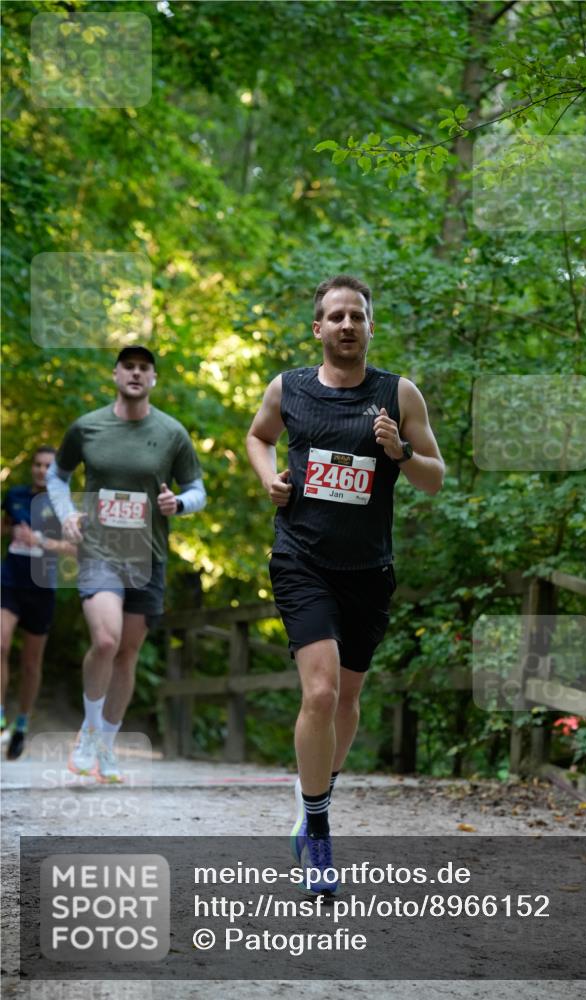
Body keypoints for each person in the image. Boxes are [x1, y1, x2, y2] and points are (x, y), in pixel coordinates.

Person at [246, 275, 444, 890]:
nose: (347, 325)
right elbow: (258, 436)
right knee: (323, 694)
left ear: (370, 326)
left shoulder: (398, 394)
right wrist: (268, 479)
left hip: (368, 571)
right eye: (335, 317)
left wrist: (401, 455)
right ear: (318, 328)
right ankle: (320, 832)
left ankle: (312, 801)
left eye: (356, 316)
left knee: (349, 698)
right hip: (302, 559)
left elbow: (435, 478)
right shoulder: (290, 388)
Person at [47, 346, 206, 783]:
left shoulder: (172, 433)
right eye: (129, 367)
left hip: (148, 556)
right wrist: (65, 515)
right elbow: (56, 477)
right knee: (105, 640)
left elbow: (197, 489)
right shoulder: (88, 427)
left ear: (153, 379)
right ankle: (88, 734)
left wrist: (181, 503)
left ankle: (107, 746)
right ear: (115, 374)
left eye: (144, 368)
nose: (136, 373)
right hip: (99, 550)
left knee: (128, 653)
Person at [1, 447, 75, 760]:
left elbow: (74, 549)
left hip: (42, 587)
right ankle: (0, 714)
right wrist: (11, 530)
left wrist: (41, 541)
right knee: (1, 644)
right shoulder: (15, 495)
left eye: (48, 465)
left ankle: (21, 723)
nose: (41, 470)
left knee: (32, 663)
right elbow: (4, 525)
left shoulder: (63, 505)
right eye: (37, 464)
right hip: (10, 581)